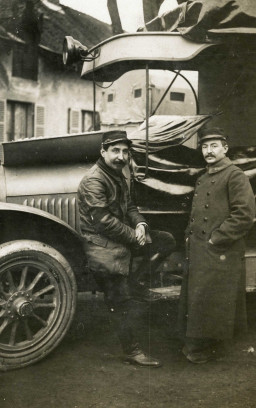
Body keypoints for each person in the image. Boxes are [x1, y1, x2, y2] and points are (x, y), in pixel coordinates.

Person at [77, 130, 176, 367]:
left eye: (124, 151)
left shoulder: (119, 173)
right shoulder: (94, 180)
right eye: (115, 151)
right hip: (101, 243)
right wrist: (134, 237)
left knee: (166, 240)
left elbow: (129, 205)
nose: (121, 156)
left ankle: (137, 281)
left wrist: (140, 224)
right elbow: (103, 222)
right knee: (120, 298)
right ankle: (132, 351)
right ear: (103, 152)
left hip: (122, 238)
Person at [178, 127, 256, 364]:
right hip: (200, 248)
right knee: (200, 297)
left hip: (220, 248)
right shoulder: (203, 177)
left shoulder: (235, 176)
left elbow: (244, 215)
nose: (209, 151)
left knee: (212, 298)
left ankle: (203, 347)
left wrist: (216, 238)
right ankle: (200, 345)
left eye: (214, 146)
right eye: (204, 146)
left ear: (225, 148)